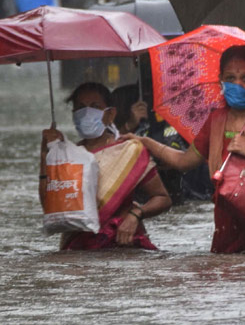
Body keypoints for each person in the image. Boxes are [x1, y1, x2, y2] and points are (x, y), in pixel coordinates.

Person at [130, 43, 245, 253]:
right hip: (228, 231)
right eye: (231, 78)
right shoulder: (216, 120)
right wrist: (145, 142)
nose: (238, 84)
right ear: (221, 80)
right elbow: (184, 162)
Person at [40, 82, 172, 250]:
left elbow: (163, 199)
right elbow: (49, 207)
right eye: (80, 107)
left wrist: (136, 215)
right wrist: (45, 155)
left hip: (124, 243)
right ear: (74, 114)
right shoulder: (67, 157)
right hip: (78, 247)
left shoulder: (129, 150)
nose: (86, 112)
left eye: (95, 106)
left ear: (110, 114)